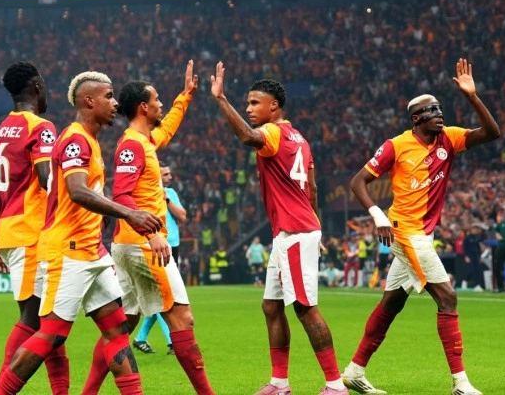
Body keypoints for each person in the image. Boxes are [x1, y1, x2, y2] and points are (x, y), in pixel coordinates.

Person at [0, 70, 163, 395]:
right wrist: (128, 213)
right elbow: (77, 191)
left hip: (92, 251)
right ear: (89, 101)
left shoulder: (90, 140)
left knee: (117, 331)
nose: (115, 103)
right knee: (51, 334)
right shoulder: (75, 139)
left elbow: (87, 193)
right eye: (108, 96)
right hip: (67, 251)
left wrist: (104, 215)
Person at [341, 58, 501, 395]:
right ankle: (460, 383)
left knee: (391, 304)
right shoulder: (396, 145)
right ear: (416, 118)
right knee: (447, 297)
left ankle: (354, 371)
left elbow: (492, 133)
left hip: (421, 233)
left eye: (440, 108)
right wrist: (377, 215)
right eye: (431, 111)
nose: (439, 114)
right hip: (406, 231)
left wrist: (472, 97)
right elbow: (357, 182)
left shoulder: (449, 139)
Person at [211, 62, 349, 395]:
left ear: (274, 106)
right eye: (246, 104)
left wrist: (221, 99)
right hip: (292, 232)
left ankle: (335, 384)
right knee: (272, 306)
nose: (249, 109)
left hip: (295, 232)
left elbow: (247, 136)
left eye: (254, 103)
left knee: (304, 308)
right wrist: (317, 225)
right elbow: (312, 188)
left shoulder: (273, 133)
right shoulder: (300, 139)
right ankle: (279, 383)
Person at [81, 61, 216, 395]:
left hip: (129, 245)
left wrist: (185, 96)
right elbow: (121, 194)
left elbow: (166, 129)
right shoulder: (132, 145)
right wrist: (152, 233)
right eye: (157, 100)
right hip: (143, 246)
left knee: (120, 327)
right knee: (182, 319)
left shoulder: (145, 141)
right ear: (143, 107)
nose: (161, 104)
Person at [0, 62, 70, 395]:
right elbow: (47, 179)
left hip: (10, 232)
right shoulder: (41, 127)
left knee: (50, 321)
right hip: (33, 234)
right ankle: (0, 390)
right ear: (37, 86)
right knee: (33, 320)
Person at [132, 162, 187, 356]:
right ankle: (172, 342)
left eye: (169, 174)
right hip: (153, 245)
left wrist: (167, 200)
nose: (169, 177)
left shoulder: (170, 193)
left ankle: (140, 338)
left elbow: (182, 216)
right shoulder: (145, 193)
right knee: (164, 294)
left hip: (173, 245)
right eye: (165, 175)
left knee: (164, 294)